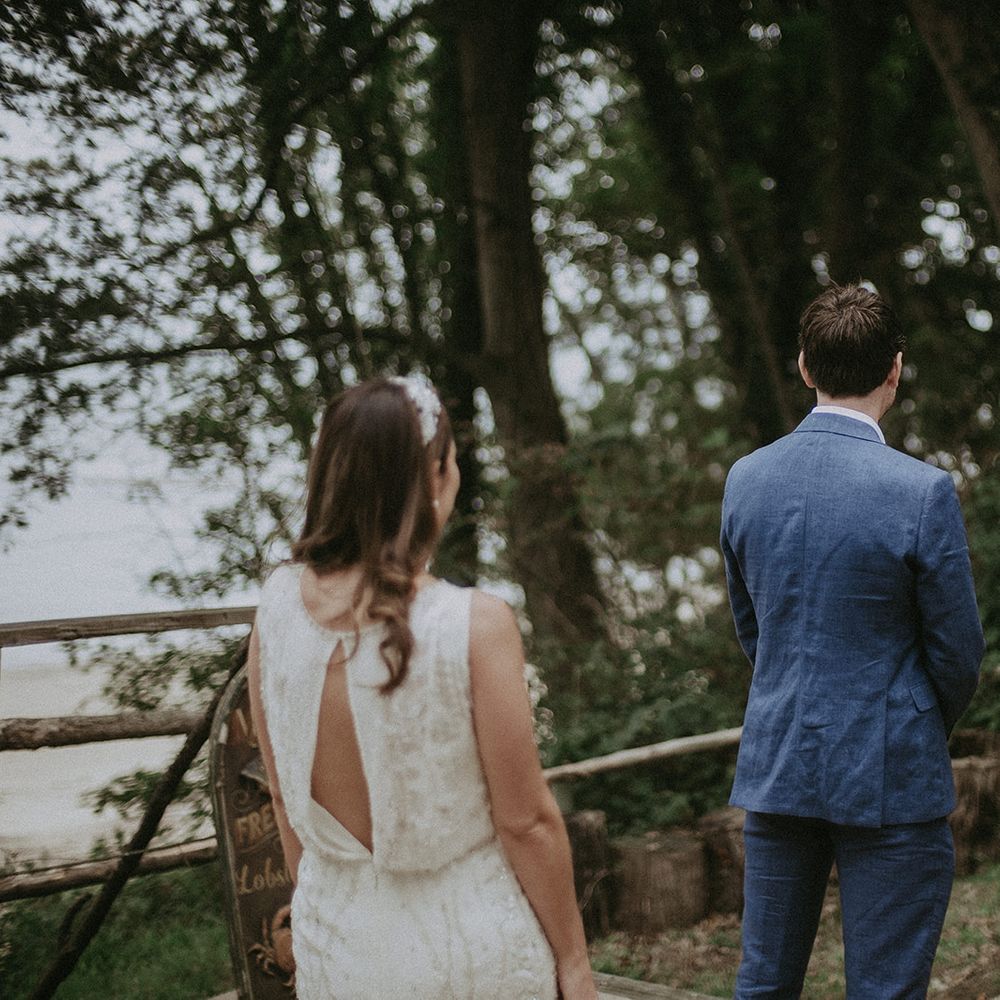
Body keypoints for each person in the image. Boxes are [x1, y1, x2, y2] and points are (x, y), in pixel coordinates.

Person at [246, 374, 597, 1000]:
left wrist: (324, 918)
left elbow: (281, 796)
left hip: (338, 952)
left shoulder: (274, 611)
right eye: (453, 460)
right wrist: (573, 961)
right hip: (467, 957)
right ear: (433, 478)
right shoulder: (474, 624)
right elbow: (527, 823)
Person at [720, 284, 984, 998]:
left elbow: (756, 629)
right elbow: (959, 654)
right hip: (892, 774)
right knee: (886, 989)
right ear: (895, 370)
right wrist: (912, 720)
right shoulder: (921, 492)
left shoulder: (746, 480)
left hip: (780, 766)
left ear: (804, 366)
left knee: (765, 984)